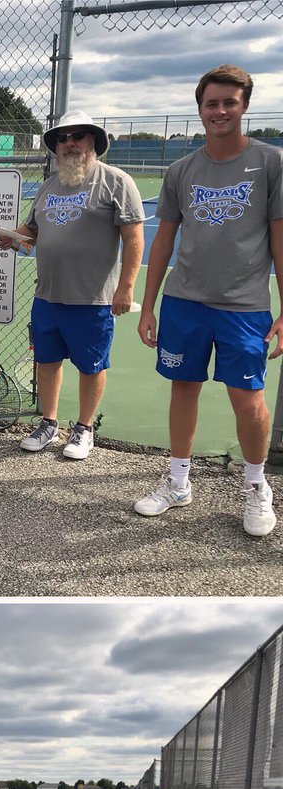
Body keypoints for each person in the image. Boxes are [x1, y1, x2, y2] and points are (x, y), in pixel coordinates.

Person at [135, 64, 283, 537]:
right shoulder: (182, 170)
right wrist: (148, 304)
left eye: (229, 103)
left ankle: (256, 486)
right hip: (184, 302)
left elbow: (280, 239)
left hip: (245, 307)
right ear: (199, 109)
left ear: (244, 106)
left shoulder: (271, 163)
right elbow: (163, 241)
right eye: (211, 103)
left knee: (248, 399)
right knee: (183, 388)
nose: (220, 111)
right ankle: (178, 481)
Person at [0, 110, 144, 460]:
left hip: (92, 299)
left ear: (93, 140)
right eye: (62, 138)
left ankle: (84, 428)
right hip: (48, 295)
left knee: (92, 365)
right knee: (47, 361)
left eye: (77, 136)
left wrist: (126, 287)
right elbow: (33, 231)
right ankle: (49, 424)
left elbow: (134, 237)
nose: (69, 143)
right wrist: (11, 236)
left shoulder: (116, 181)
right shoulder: (49, 186)